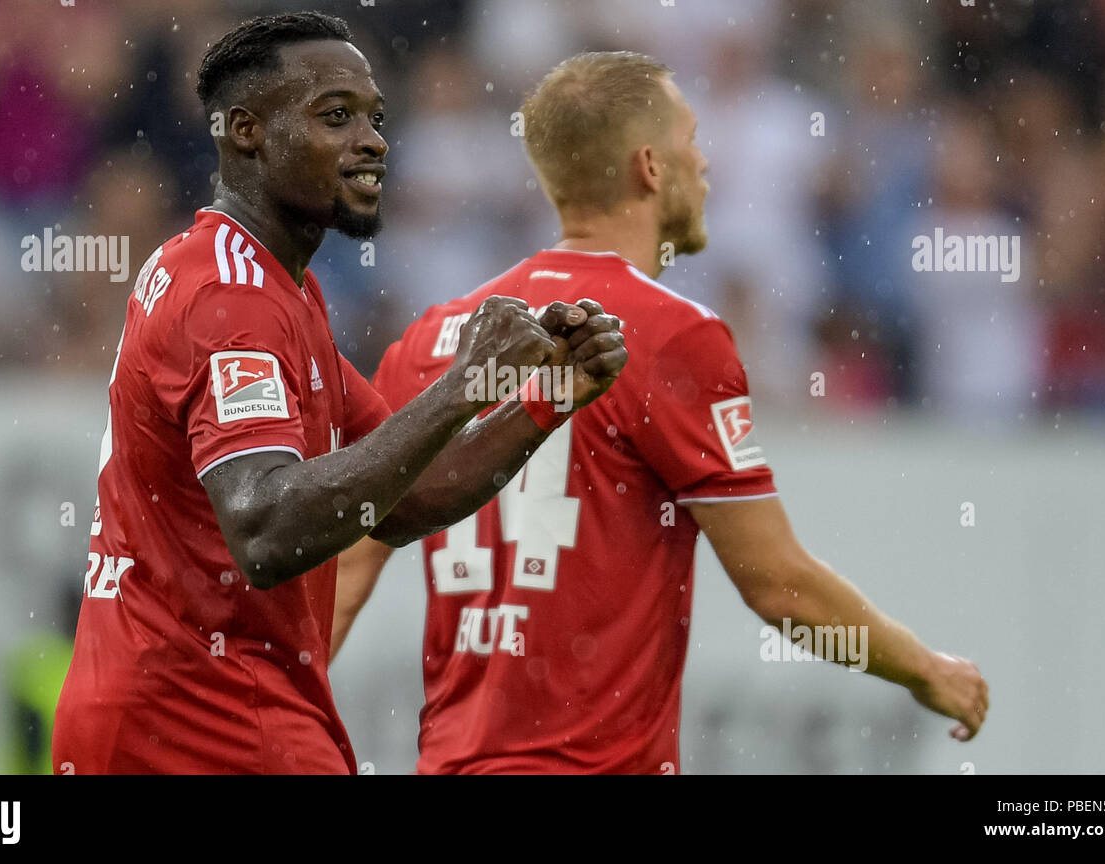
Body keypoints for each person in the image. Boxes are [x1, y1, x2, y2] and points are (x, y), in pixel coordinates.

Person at [333, 51, 989, 774]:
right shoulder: (669, 333)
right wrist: (927, 670)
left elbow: (340, 577)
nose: (704, 165)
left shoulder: (430, 339)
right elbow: (776, 585)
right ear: (650, 166)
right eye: (692, 140)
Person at [50, 13, 626, 775]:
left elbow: (405, 496)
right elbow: (264, 529)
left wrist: (546, 397)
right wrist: (459, 384)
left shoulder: (269, 286)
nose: (374, 139)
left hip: (174, 712)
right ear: (247, 132)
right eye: (336, 115)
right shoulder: (234, 295)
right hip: (203, 724)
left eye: (376, 118)